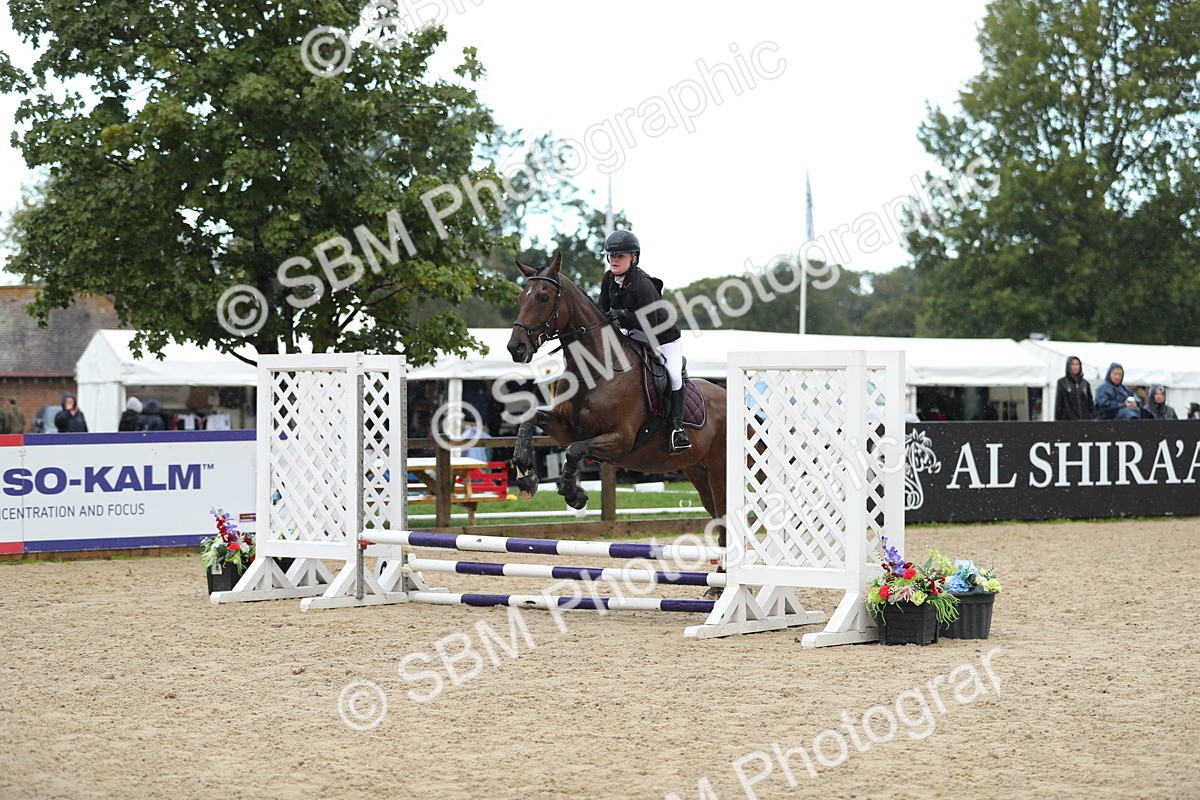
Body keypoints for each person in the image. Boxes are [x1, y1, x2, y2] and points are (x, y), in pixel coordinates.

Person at [597, 229, 690, 453]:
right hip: (634, 336)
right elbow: (601, 309)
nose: (614, 260)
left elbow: (652, 322)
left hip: (662, 339)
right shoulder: (609, 278)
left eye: (620, 256)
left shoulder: (643, 285)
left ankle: (677, 430)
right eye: (611, 256)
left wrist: (620, 315)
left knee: (674, 376)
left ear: (634, 258)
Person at [1055, 356, 1094, 420]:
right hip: (1068, 422)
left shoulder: (1085, 383)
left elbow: (1090, 404)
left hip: (1084, 422)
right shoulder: (1062, 383)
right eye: (1072, 364)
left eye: (1077, 364)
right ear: (1068, 366)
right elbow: (1059, 405)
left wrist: (1091, 417)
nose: (1075, 367)